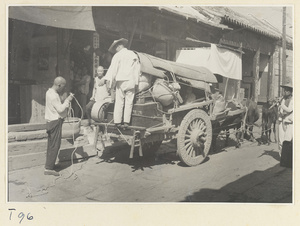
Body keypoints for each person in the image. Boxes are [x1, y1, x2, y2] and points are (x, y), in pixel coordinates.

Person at [100, 38, 140, 128]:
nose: (115, 50)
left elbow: (113, 69)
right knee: (129, 102)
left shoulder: (117, 56)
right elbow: (137, 70)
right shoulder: (132, 54)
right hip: (131, 81)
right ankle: (126, 122)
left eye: (115, 48)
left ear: (119, 46)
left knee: (119, 101)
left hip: (121, 81)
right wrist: (136, 82)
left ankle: (118, 121)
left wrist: (107, 79)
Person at [44, 76, 74, 176]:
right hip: (55, 122)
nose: (63, 89)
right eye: (63, 87)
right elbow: (60, 109)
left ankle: (50, 165)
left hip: (51, 121)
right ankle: (48, 168)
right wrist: (68, 100)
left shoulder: (50, 92)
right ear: (59, 85)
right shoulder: (53, 95)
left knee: (52, 144)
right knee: (54, 145)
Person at [278, 79, 293, 168]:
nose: (285, 92)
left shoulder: (294, 99)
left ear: (290, 91)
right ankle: (281, 158)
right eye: (284, 90)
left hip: (289, 122)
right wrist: (280, 108)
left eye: (287, 90)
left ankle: (287, 159)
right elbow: (281, 110)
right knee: (280, 140)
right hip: (282, 121)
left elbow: (290, 109)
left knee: (287, 140)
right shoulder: (283, 99)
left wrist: (281, 106)